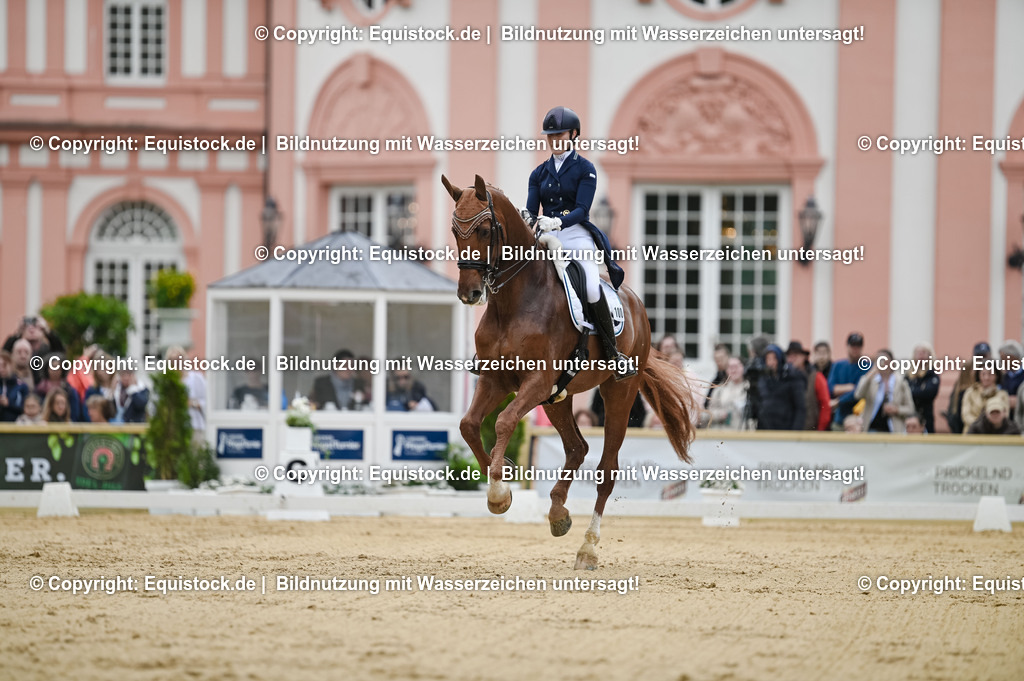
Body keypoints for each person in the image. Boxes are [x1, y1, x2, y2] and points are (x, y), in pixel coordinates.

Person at [526, 105, 634, 380]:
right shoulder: (538, 173)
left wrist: (558, 221)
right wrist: (527, 218)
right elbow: (531, 208)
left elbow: (582, 210)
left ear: (573, 134)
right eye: (550, 136)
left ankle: (613, 353)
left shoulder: (586, 169)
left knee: (590, 287)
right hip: (547, 240)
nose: (554, 141)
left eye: (559, 135)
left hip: (575, 237)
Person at [853, 349, 915, 433]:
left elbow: (910, 409)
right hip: (871, 428)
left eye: (883, 359)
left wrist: (896, 410)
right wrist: (870, 374)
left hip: (893, 429)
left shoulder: (901, 382)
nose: (881, 362)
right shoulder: (871, 380)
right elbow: (858, 394)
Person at [753, 344, 806, 430]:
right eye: (768, 359)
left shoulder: (793, 378)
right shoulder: (762, 380)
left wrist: (796, 432)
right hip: (765, 429)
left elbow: (800, 408)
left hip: (786, 428)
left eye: (774, 358)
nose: (771, 363)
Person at [786, 341, 830, 430]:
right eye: (790, 356)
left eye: (796, 355)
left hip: (810, 431)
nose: (792, 359)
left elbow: (825, 405)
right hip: (789, 430)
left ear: (804, 357)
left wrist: (820, 430)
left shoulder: (816, 377)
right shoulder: (784, 378)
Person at [828, 332, 869, 428]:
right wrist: (849, 387)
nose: (855, 349)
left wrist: (839, 400)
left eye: (858, 346)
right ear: (847, 346)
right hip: (839, 417)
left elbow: (859, 391)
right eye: (853, 345)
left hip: (859, 419)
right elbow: (830, 388)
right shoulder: (838, 365)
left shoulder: (866, 367)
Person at [960, 365, 1006, 434]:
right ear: (978, 375)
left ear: (996, 376)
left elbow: (1004, 416)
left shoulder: (1002, 395)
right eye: (983, 374)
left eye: (990, 374)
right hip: (972, 433)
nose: (986, 378)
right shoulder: (970, 393)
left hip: (995, 434)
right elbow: (966, 415)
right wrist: (980, 426)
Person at [907, 342, 940, 435]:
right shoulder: (909, 375)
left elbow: (929, 393)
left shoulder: (932, 375)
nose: (921, 355)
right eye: (918, 352)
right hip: (909, 417)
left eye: (924, 352)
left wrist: (912, 391)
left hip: (926, 417)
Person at [707, 357, 749, 429]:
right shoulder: (719, 390)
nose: (733, 370)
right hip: (724, 434)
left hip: (745, 435)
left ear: (743, 367)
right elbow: (709, 412)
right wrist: (720, 414)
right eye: (730, 367)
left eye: (736, 366)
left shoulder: (750, 388)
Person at [0, 349, 29, 422]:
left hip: (15, 425)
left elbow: (25, 408)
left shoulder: (21, 386)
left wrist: (9, 404)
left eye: (4, 365)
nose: (1, 369)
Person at [704, 343, 731, 407]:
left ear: (728, 357)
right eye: (716, 359)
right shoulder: (715, 381)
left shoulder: (734, 377)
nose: (719, 361)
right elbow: (707, 404)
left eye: (721, 358)